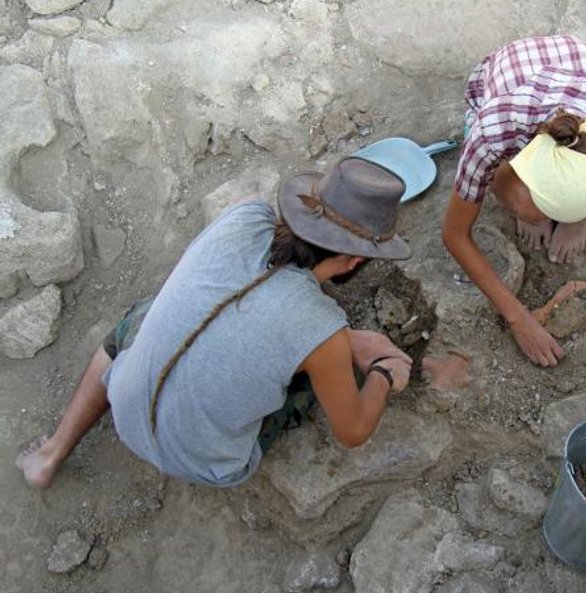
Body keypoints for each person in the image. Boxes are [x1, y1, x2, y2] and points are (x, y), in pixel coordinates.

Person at [16, 157, 415, 489]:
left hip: (125, 408)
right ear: (355, 259)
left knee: (144, 314)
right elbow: (354, 432)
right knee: (315, 376)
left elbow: (235, 302)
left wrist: (334, 338)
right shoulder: (322, 329)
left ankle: (52, 453)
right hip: (206, 464)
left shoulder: (244, 215)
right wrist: (381, 371)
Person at [442, 35, 586, 367]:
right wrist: (518, 318)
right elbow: (454, 234)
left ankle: (574, 215)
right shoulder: (494, 131)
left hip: (580, 66)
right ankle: (527, 206)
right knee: (523, 202)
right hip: (514, 71)